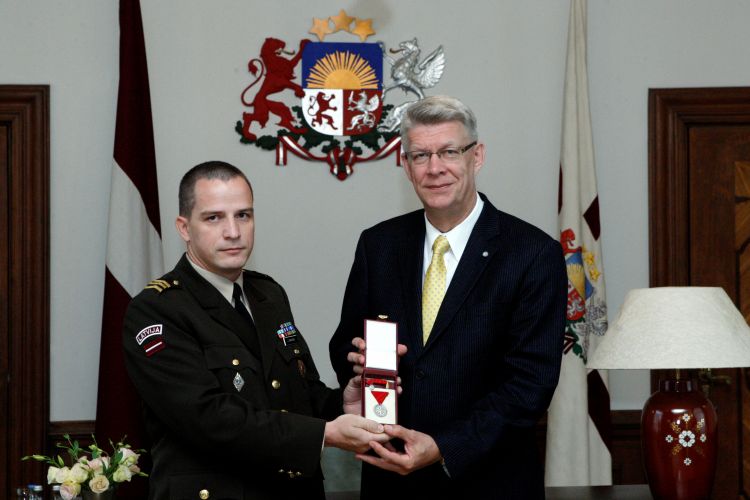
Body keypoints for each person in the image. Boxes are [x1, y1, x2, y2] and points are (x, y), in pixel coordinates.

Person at [329, 95, 568, 499]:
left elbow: (530, 385)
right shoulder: (378, 245)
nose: (434, 168)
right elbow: (344, 345)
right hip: (392, 480)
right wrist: (358, 364)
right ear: (406, 166)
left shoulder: (532, 254)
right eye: (420, 155)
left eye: (449, 152)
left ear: (477, 156)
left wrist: (443, 447)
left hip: (491, 483)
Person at [123, 161, 390, 500]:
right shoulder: (157, 309)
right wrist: (324, 434)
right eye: (213, 218)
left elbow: (298, 393)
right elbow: (208, 418)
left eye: (243, 215)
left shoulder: (267, 294)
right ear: (184, 228)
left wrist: (343, 404)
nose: (233, 231)